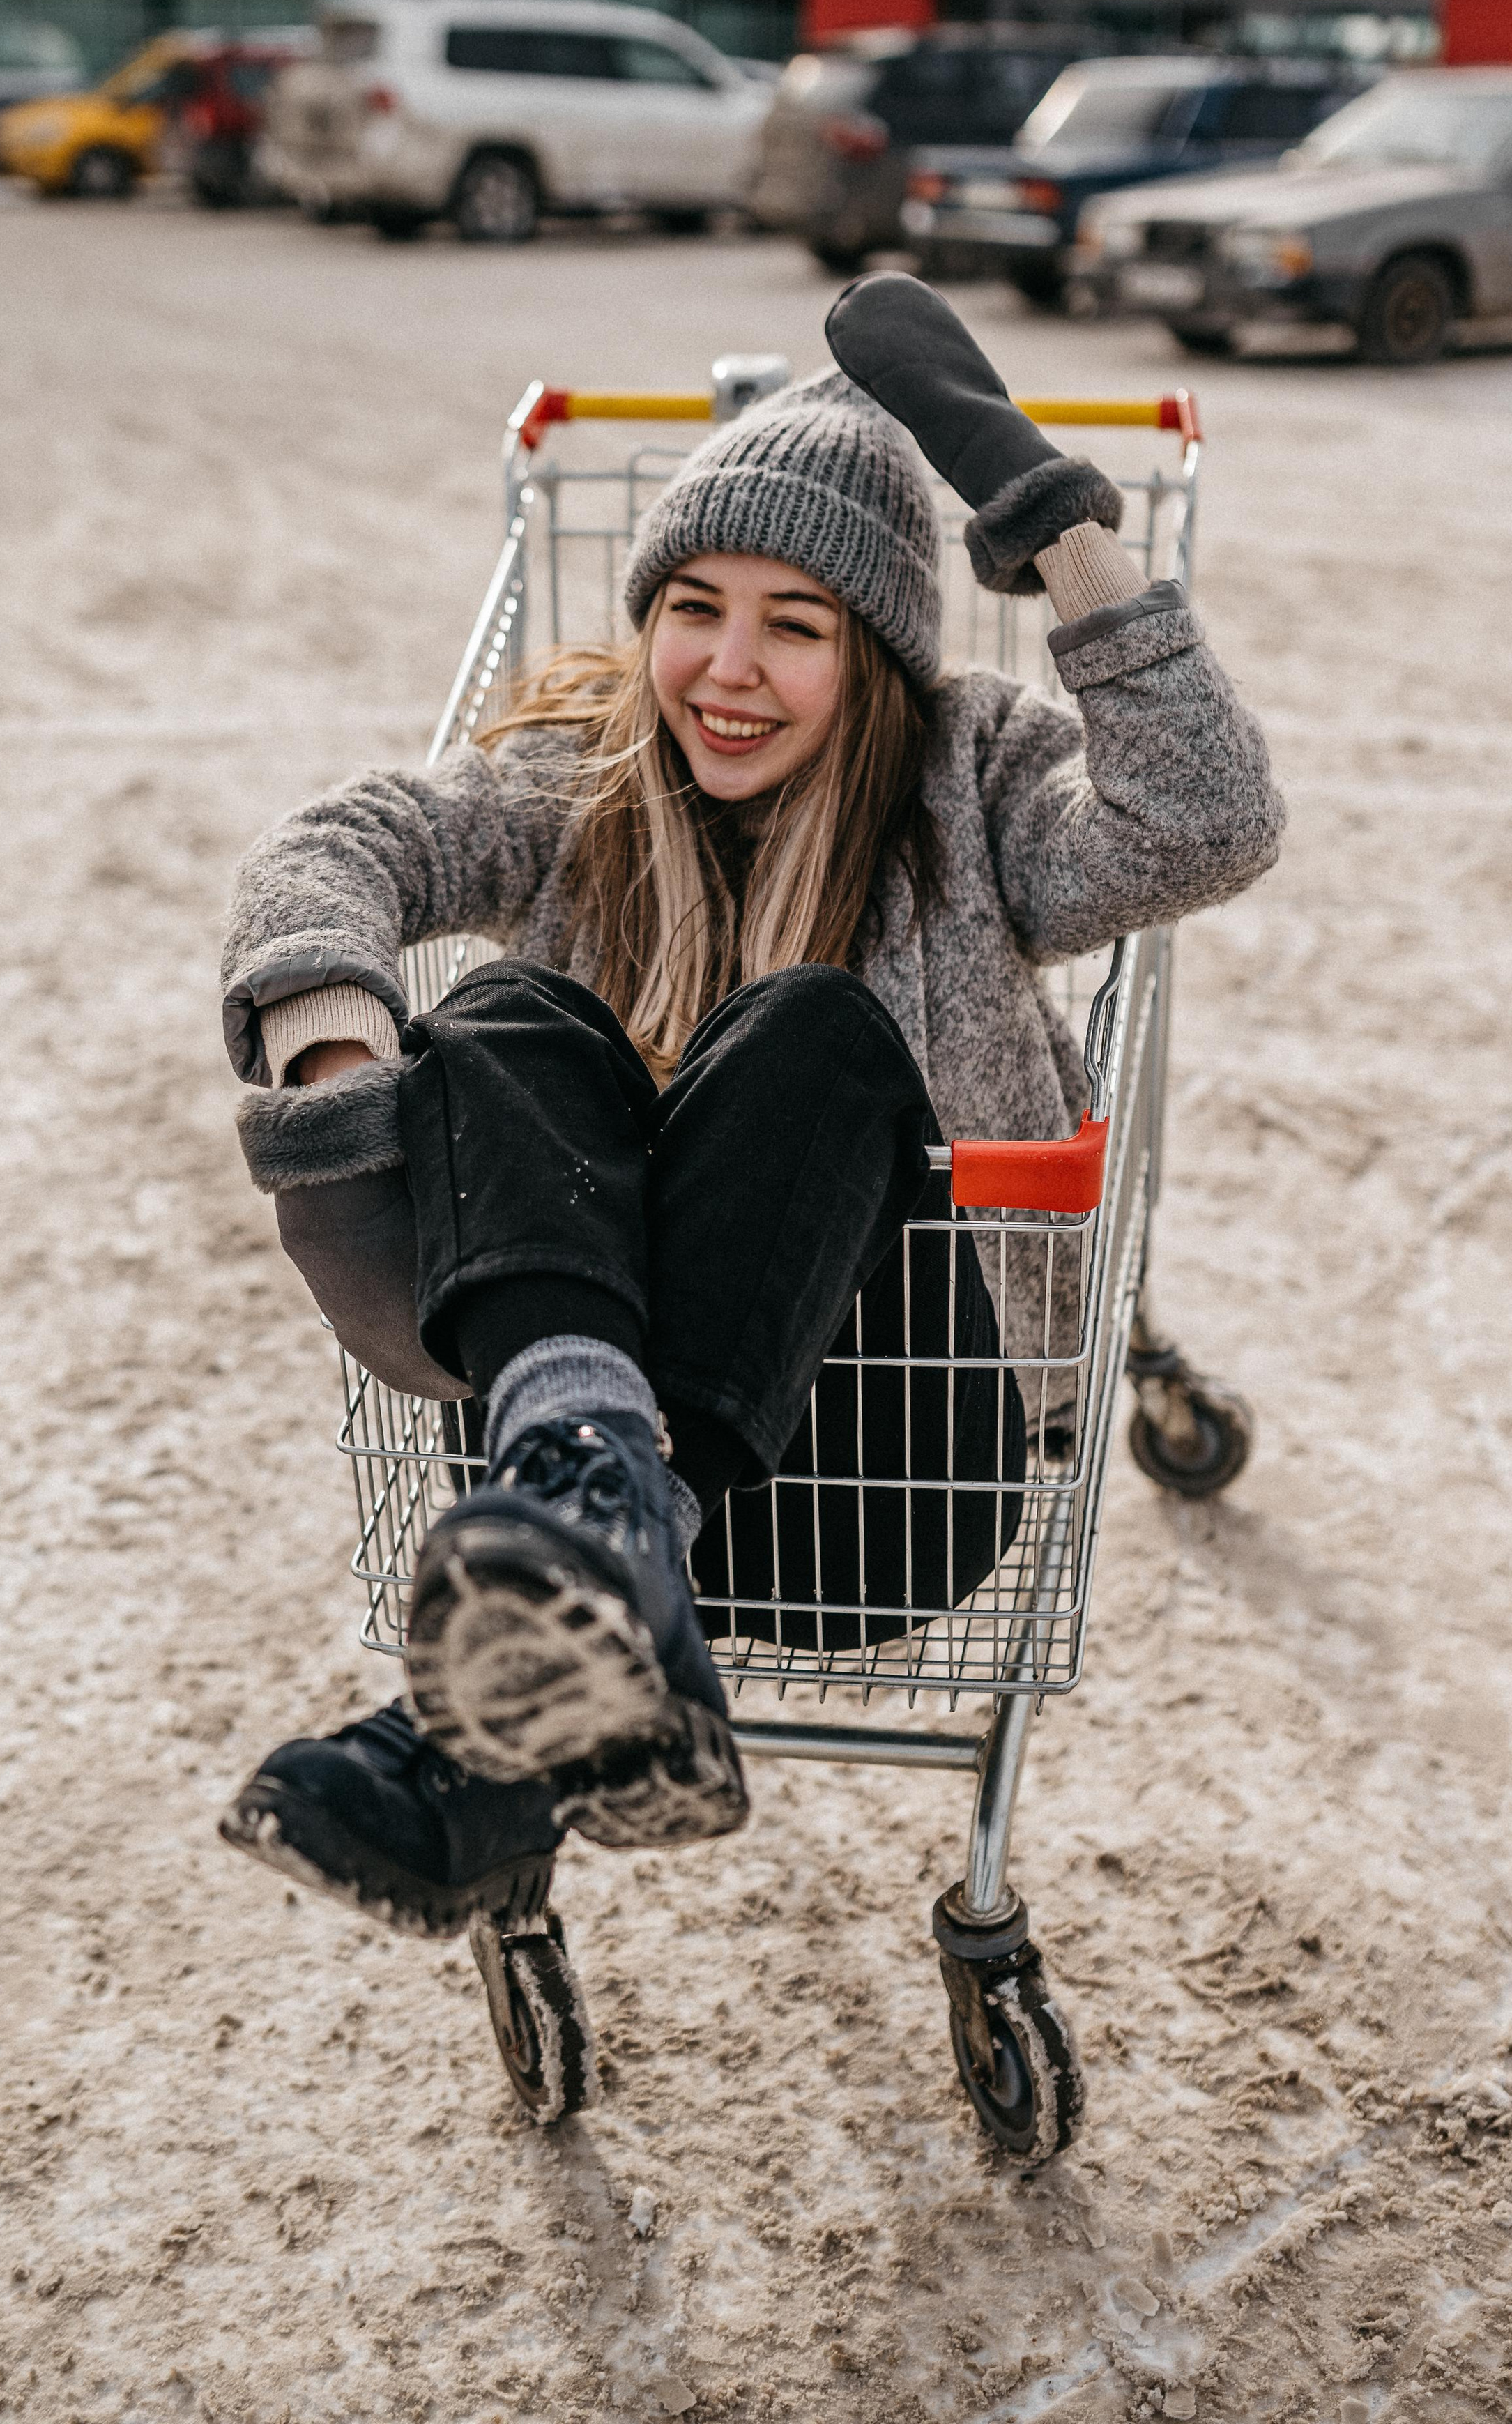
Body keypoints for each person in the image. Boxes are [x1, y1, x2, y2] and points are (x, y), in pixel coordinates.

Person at [214, 275, 1284, 1937]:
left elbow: (1205, 818)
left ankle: (581, 1558)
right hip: (586, 1476)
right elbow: (331, 846)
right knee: (506, 1014)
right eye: (691, 605)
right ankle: (506, 1721)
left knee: (813, 1035)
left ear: (873, 660)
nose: (724, 667)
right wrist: (338, 1062)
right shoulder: (578, 787)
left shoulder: (970, 785)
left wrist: (1046, 511)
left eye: (794, 624)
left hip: (888, 1479)